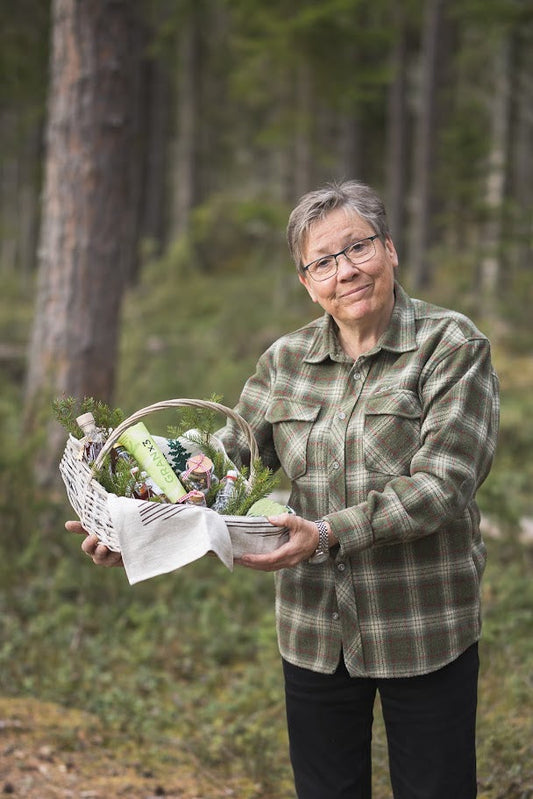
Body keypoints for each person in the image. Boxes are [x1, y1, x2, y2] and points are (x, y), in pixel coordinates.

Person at [67, 180, 500, 799]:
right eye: (322, 262)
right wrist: (134, 528)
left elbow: (444, 483)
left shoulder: (451, 345)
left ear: (391, 250)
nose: (344, 272)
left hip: (424, 624)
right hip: (313, 627)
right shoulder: (285, 360)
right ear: (306, 281)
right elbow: (220, 468)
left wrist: (327, 533)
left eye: (358, 248)